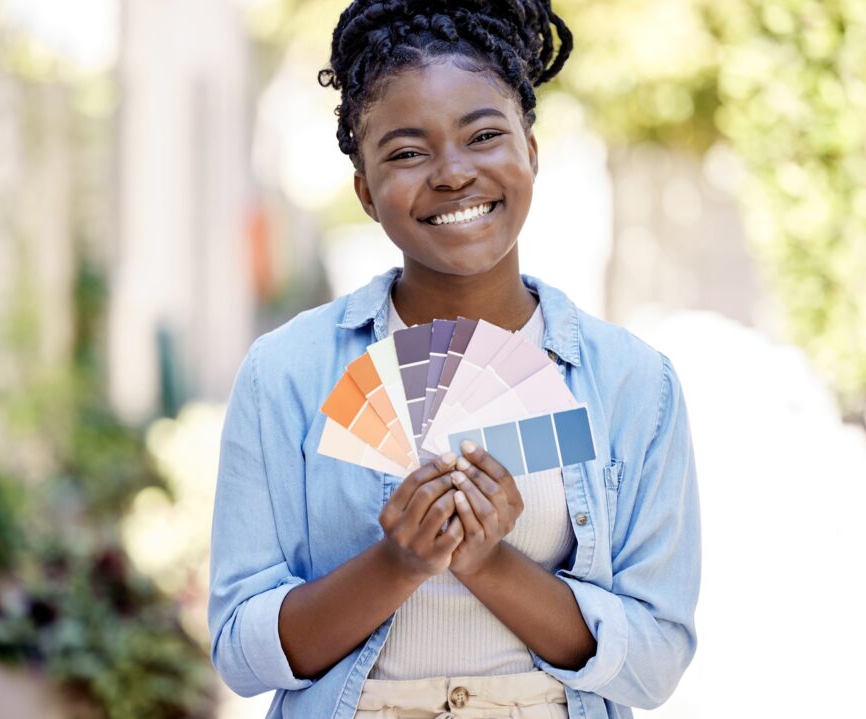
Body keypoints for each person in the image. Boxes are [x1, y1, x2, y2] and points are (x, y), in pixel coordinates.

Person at [208, 1, 701, 717]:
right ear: (365, 192)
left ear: (531, 150)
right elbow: (238, 651)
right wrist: (397, 563)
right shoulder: (285, 373)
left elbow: (654, 663)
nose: (452, 173)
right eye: (407, 151)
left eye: (484, 136)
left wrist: (489, 562)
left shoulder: (633, 383)